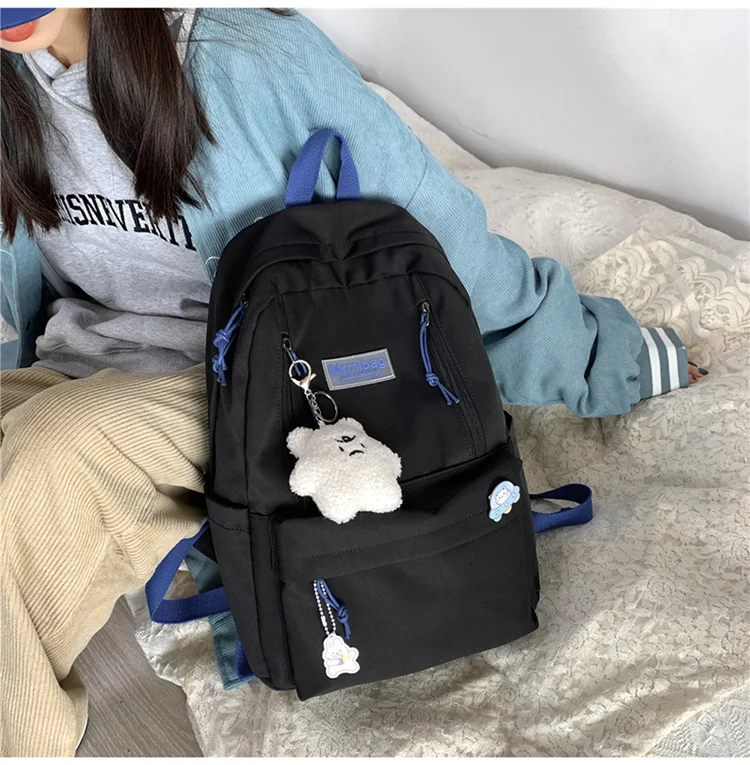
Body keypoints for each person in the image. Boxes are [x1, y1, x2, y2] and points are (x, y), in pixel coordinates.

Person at [0, 7, 706, 756]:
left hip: (255, 386)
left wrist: (606, 358)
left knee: (51, 453)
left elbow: (443, 251)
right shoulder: (14, 82)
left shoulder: (252, 60)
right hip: (83, 362)